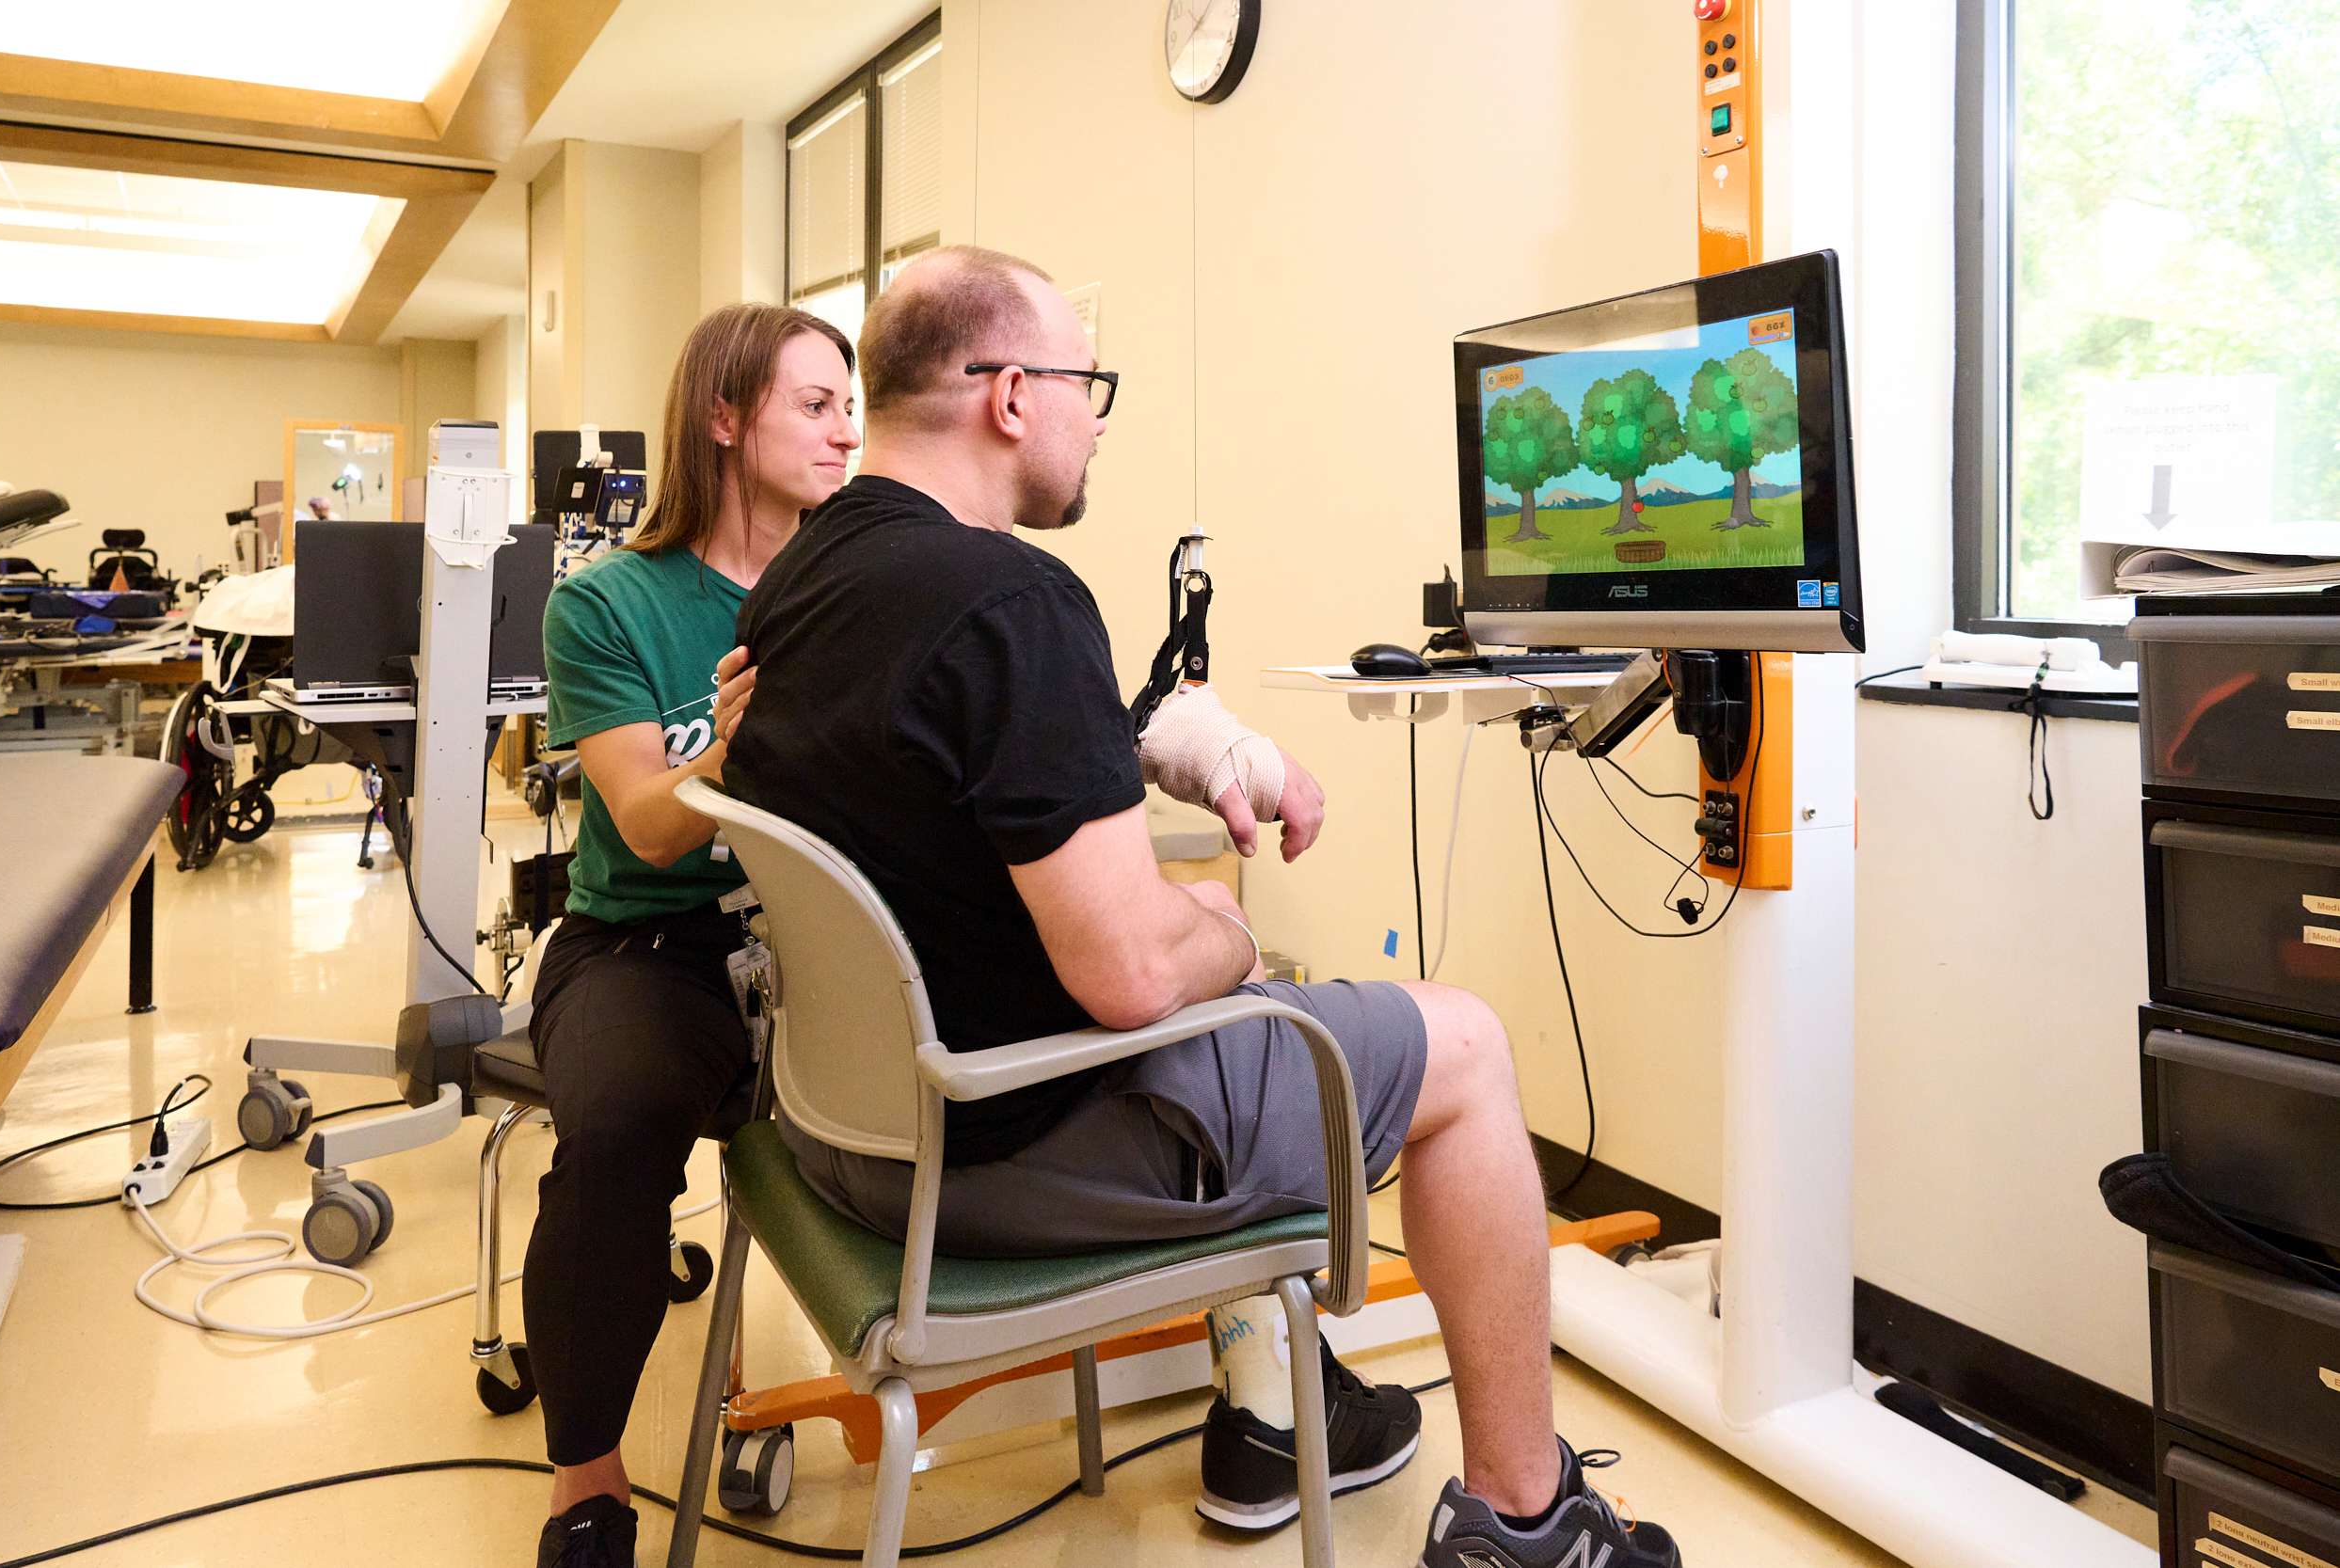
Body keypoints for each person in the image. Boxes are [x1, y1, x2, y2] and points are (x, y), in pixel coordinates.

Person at [721, 246, 1681, 1568]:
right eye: (1083, 382)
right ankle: (1525, 1520)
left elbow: (939, 791)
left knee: (1254, 991)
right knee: (1459, 1041)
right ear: (1008, 397)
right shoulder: (1011, 596)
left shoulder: (800, 580)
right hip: (1005, 1153)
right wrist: (1237, 941)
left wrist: (1166, 750)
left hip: (842, 1132)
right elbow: (1127, 974)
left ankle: (1310, 1416)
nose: (1095, 416)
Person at [525, 302, 861, 1568]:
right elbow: (652, 829)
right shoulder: (609, 606)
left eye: (850, 409)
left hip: (829, 938)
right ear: (726, 419)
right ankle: (589, 1485)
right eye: (815, 407)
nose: (845, 435)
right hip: (652, 946)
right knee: (612, 1133)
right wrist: (728, 746)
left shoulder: (857, 583)